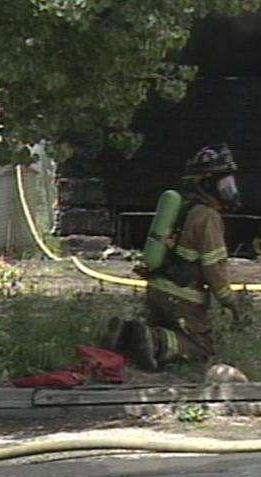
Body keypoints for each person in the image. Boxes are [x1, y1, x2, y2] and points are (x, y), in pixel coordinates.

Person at [104, 144, 247, 376]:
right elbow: (213, 268)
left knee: (167, 338)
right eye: (224, 184)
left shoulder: (183, 209)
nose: (229, 191)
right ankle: (153, 339)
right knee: (202, 348)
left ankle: (129, 334)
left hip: (159, 288)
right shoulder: (208, 217)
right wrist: (230, 301)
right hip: (183, 296)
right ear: (208, 184)